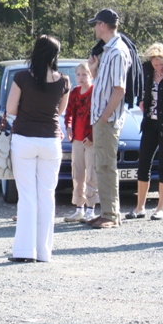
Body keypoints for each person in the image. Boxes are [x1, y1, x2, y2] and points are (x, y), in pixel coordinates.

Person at [4, 36, 70, 262]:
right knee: (47, 195)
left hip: (24, 137)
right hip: (51, 140)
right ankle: (44, 252)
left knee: (27, 196)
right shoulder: (64, 81)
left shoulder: (22, 77)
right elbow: (60, 111)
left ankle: (25, 251)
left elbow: (11, 109)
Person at [127, 43, 163, 221]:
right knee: (143, 163)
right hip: (150, 123)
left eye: (162, 64)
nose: (159, 68)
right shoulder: (146, 70)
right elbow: (138, 87)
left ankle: (160, 208)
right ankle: (140, 207)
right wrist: (141, 100)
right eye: (156, 65)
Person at [86, 8, 132, 229]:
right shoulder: (108, 51)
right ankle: (107, 211)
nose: (95, 28)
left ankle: (111, 215)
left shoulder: (117, 52)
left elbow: (119, 89)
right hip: (102, 118)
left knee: (106, 166)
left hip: (108, 119)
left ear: (103, 25)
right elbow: (104, 85)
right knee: (102, 165)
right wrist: (93, 71)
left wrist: (104, 116)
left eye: (96, 24)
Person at [63, 61, 98, 223]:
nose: (81, 78)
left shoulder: (95, 91)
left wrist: (91, 136)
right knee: (77, 174)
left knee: (91, 173)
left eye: (84, 74)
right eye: (78, 75)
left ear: (91, 75)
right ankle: (79, 208)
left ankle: (91, 209)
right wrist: (68, 126)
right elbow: (69, 112)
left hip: (90, 140)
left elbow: (97, 116)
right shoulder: (75, 92)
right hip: (76, 139)